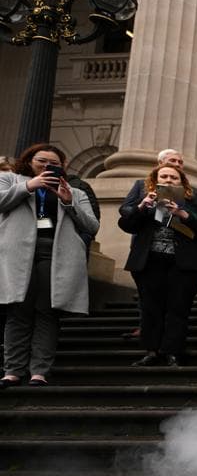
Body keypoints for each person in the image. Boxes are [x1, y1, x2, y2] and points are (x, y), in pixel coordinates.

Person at [0, 144, 99, 387]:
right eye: (41, 161)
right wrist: (28, 186)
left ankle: (39, 372)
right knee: (17, 312)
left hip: (55, 253)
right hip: (17, 252)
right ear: (29, 161)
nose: (46, 166)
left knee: (47, 313)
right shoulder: (9, 179)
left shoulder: (74, 191)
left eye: (53, 163)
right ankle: (12, 370)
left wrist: (68, 202)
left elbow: (92, 226)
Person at [118, 164, 197, 366]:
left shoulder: (193, 198)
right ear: (155, 179)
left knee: (177, 308)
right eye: (164, 176)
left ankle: (172, 351)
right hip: (149, 262)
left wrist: (183, 214)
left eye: (174, 177)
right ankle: (152, 351)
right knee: (150, 308)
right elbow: (126, 224)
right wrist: (142, 207)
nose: (169, 180)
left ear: (182, 182)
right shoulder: (146, 197)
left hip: (185, 264)